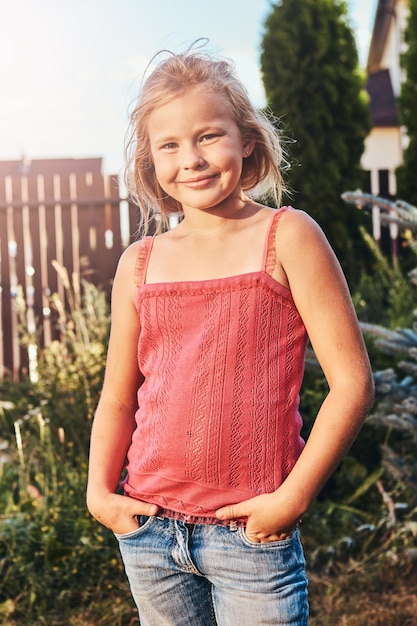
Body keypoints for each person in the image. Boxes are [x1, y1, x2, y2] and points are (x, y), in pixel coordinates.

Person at [86, 45, 374, 626]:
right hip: (149, 530)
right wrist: (100, 492)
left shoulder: (287, 236)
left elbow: (353, 384)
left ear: (246, 139)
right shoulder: (138, 263)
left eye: (208, 136)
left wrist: (293, 498)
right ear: (150, 160)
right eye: (169, 144)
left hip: (250, 534)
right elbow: (118, 395)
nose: (190, 159)